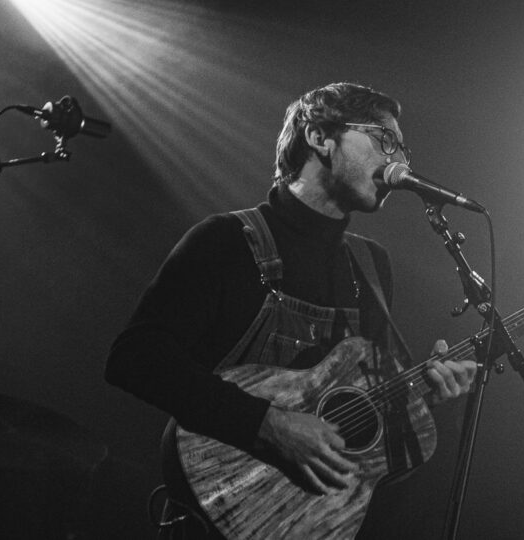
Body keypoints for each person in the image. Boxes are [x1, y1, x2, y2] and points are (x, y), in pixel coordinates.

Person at [104, 82, 477, 538]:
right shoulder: (224, 241)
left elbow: (355, 426)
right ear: (320, 137)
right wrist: (268, 425)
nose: (401, 162)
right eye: (384, 140)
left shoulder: (372, 267)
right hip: (213, 517)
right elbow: (135, 358)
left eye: (403, 148)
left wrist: (421, 400)